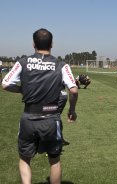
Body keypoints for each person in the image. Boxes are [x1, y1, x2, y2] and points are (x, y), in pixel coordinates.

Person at [1, 28, 78, 184]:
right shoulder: (61, 65)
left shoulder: (22, 62)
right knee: (54, 160)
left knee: (25, 158)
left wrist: (22, 89)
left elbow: (5, 84)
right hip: (51, 119)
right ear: (52, 44)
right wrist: (71, 110)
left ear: (33, 44)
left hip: (29, 118)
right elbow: (74, 90)